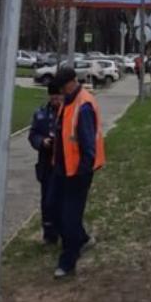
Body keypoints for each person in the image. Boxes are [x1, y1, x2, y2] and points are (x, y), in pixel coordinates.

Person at [50, 67, 105, 279]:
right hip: (62, 169)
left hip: (78, 173)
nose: (61, 91)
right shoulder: (68, 102)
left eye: (63, 87)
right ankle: (82, 239)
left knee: (69, 219)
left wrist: (82, 172)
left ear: (72, 82)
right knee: (56, 210)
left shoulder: (84, 105)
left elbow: (88, 146)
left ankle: (67, 262)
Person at [28, 80, 64, 243]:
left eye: (58, 98)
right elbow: (33, 134)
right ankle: (49, 233)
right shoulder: (41, 113)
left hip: (63, 162)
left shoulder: (68, 113)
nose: (56, 101)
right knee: (47, 200)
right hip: (46, 163)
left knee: (63, 199)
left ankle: (64, 229)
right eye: (53, 98)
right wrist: (42, 142)